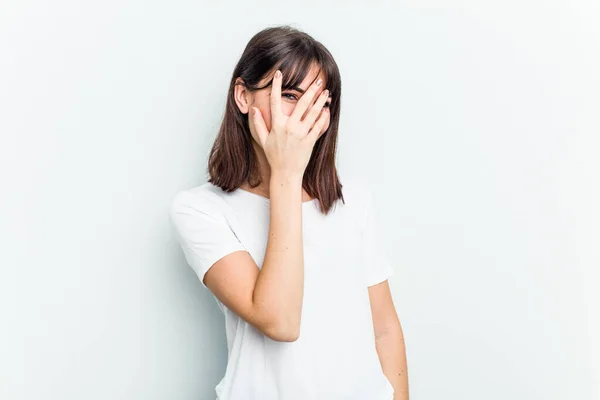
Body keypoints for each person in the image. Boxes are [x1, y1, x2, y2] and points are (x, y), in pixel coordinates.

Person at [169, 25, 408, 400]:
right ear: (243, 97)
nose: (305, 115)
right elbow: (279, 320)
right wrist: (286, 173)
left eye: (320, 102)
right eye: (291, 95)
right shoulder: (200, 210)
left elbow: (384, 329)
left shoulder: (352, 201)